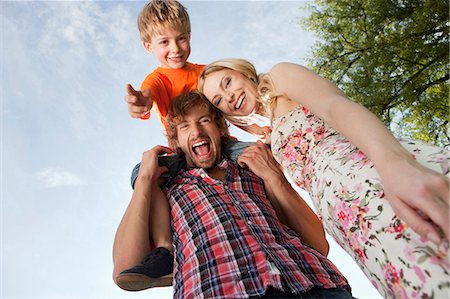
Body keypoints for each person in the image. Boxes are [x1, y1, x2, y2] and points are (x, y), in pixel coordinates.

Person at [198, 58, 450, 298]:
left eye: (228, 82)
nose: (229, 97)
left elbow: (336, 106)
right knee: (418, 276)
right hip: (345, 217)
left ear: (243, 72)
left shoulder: (280, 77)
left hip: (369, 174)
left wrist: (392, 163)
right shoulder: (270, 139)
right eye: (219, 100)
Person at [113, 91, 355, 298]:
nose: (196, 132)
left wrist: (274, 177)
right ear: (175, 141)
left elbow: (318, 245)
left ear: (220, 129)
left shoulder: (252, 168)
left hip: (319, 286)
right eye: (185, 126)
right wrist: (144, 179)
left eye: (204, 120)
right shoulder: (167, 188)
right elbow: (125, 267)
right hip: (218, 291)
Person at [120, 0, 259, 290]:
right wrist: (142, 102)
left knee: (257, 154)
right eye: (164, 42)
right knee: (142, 172)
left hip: (222, 144)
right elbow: (149, 94)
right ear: (149, 46)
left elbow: (228, 108)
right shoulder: (157, 79)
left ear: (190, 36)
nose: (176, 48)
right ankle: (163, 250)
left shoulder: (204, 73)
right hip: (182, 153)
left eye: (181, 38)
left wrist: (258, 129)